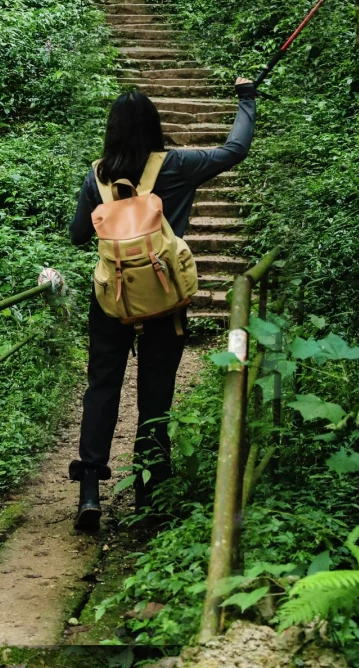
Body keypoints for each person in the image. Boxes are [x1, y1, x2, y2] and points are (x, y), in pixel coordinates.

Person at [67, 77, 256, 530]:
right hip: (165, 302)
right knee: (155, 397)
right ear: (154, 127)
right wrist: (246, 100)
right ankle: (150, 496)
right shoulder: (176, 166)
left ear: (111, 131)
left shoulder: (98, 177)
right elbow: (234, 150)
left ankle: (90, 490)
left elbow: (77, 237)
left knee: (102, 389)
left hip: (111, 300)